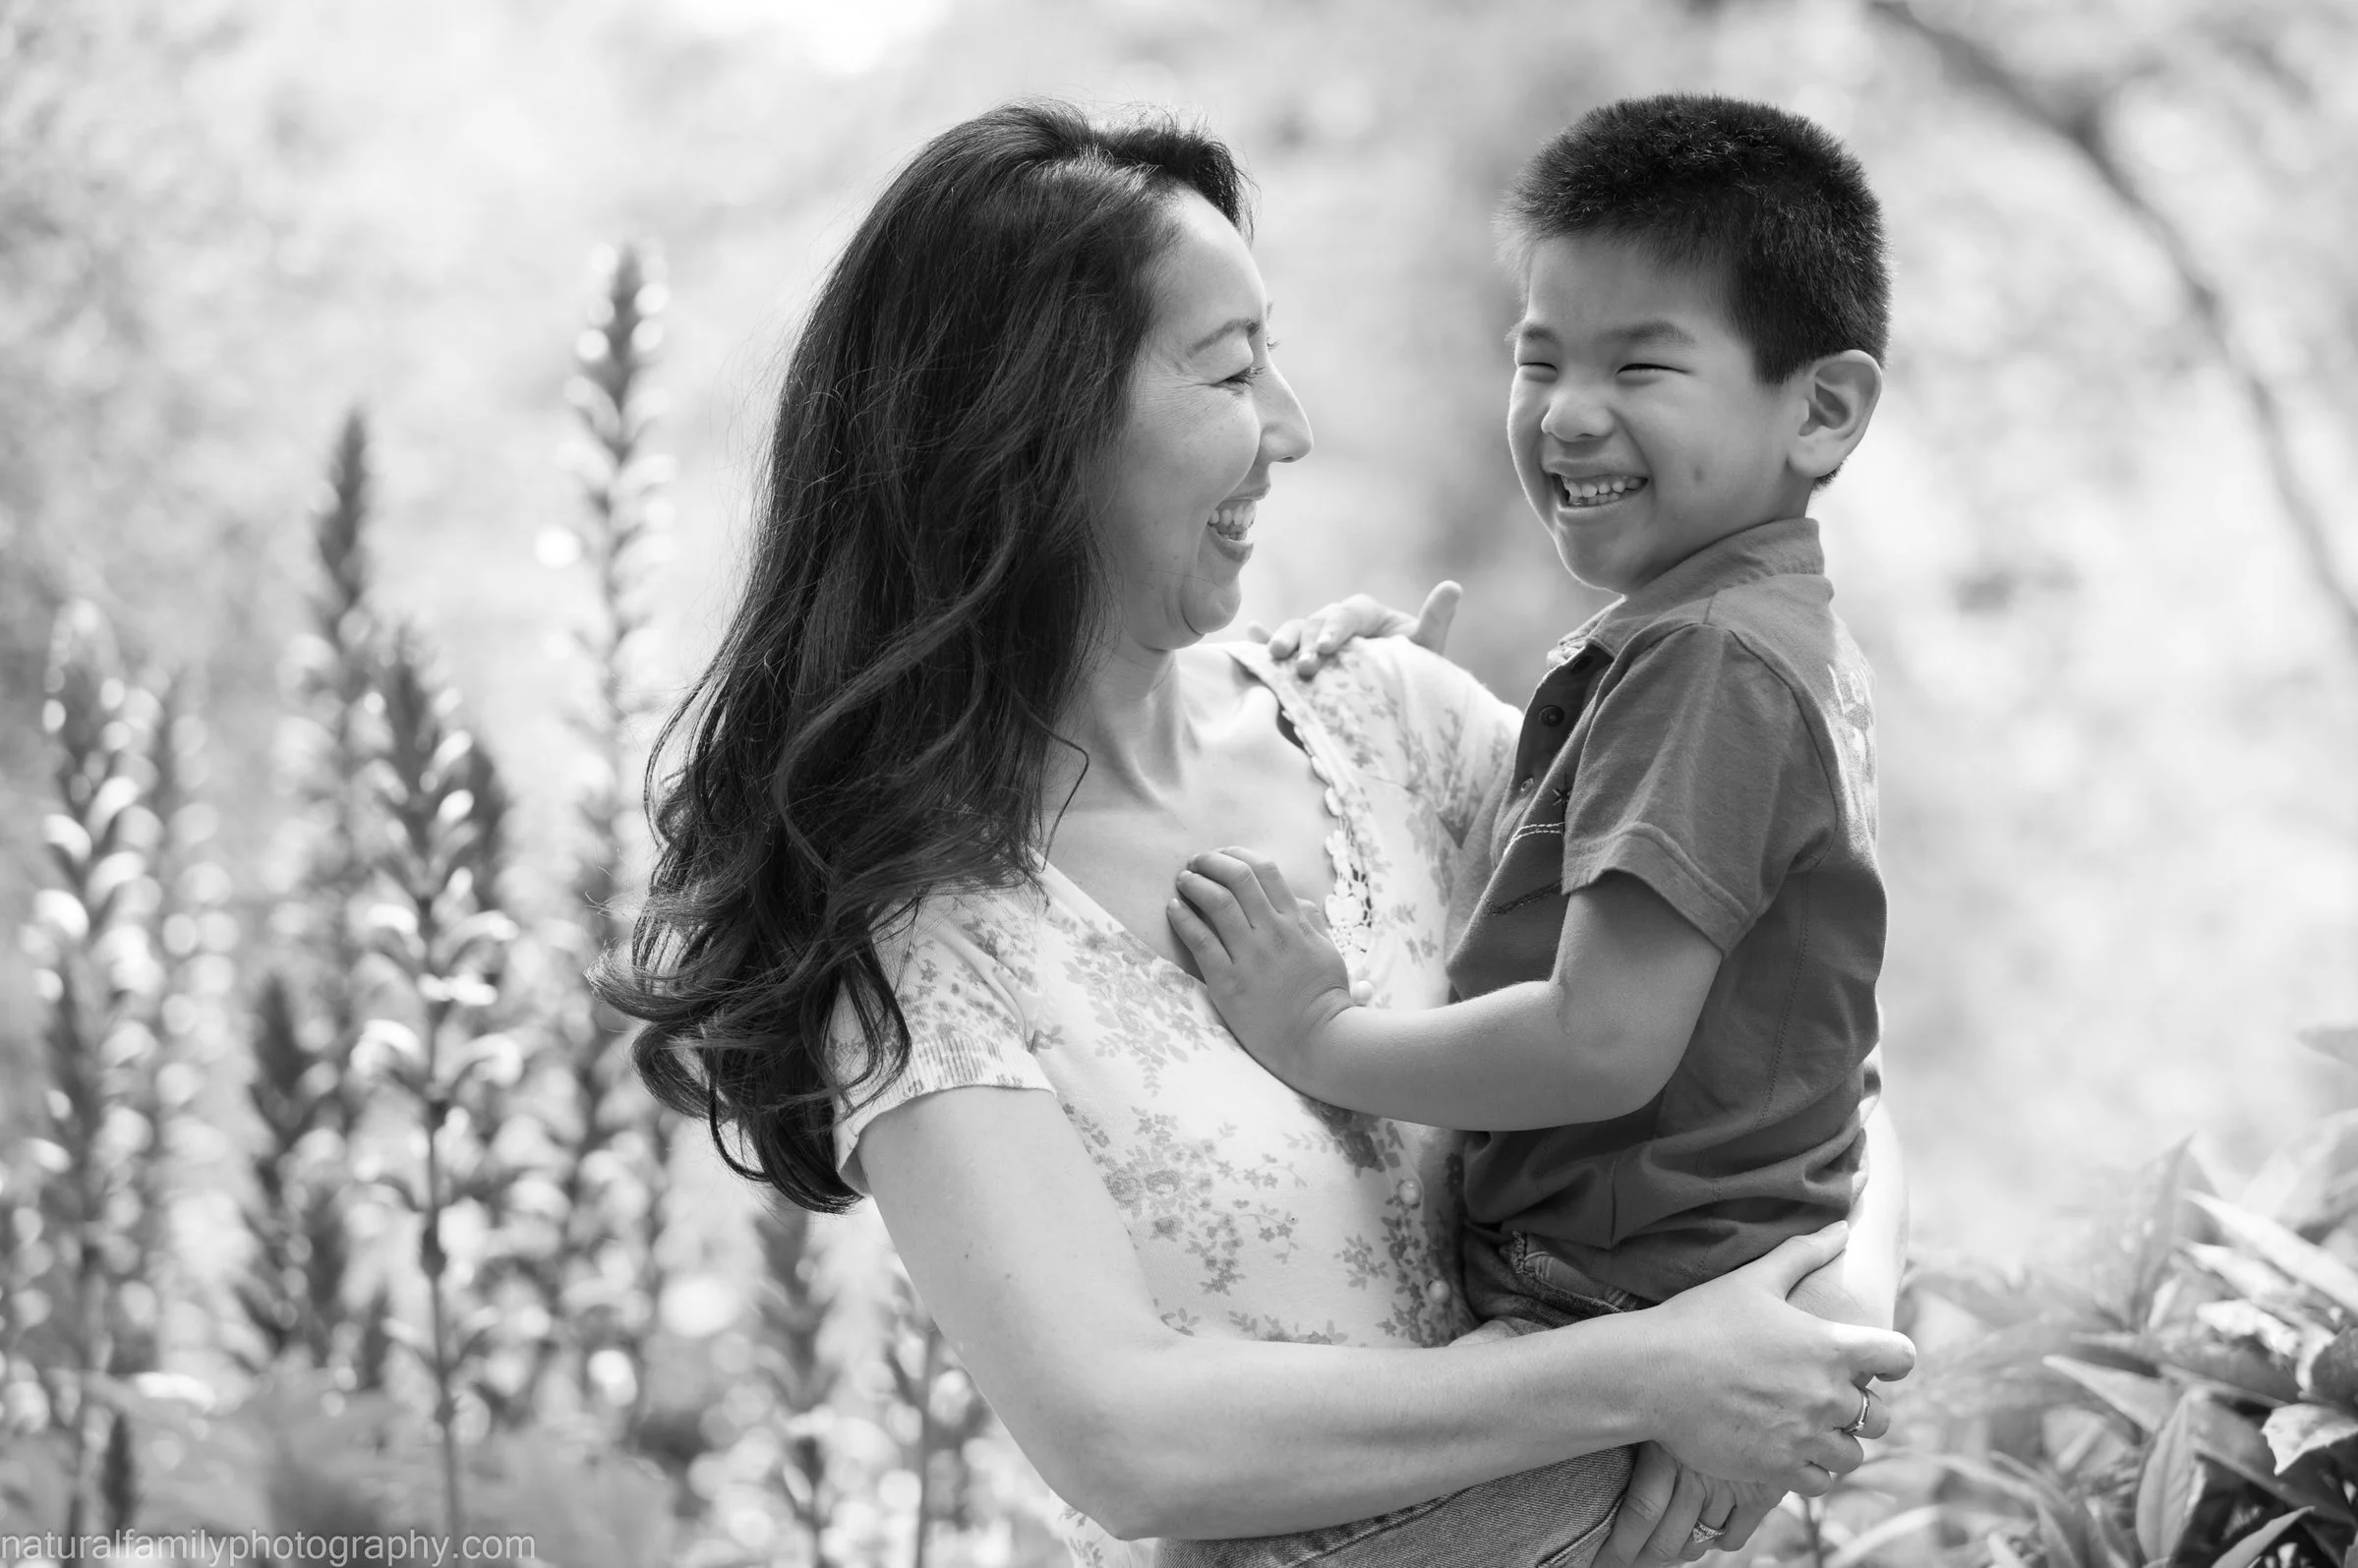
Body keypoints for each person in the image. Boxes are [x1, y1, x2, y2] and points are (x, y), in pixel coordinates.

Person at [597, 97, 1913, 1568]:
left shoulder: (1394, 727)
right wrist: (1655, 1375)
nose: (1292, 428)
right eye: (1233, 371)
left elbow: (1803, 1043)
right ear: (1030, 429)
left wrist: (1820, 1325)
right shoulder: (920, 938)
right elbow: (1132, 1440)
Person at [1174, 94, 1900, 1564]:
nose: (1568, 409)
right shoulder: (1724, 636)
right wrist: (1399, 709)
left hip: (1634, 1336)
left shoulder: (1713, 666)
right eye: (1539, 355)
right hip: (1637, 1307)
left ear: (1819, 409)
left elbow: (1600, 1039)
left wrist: (1316, 1032)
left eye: (1642, 362)